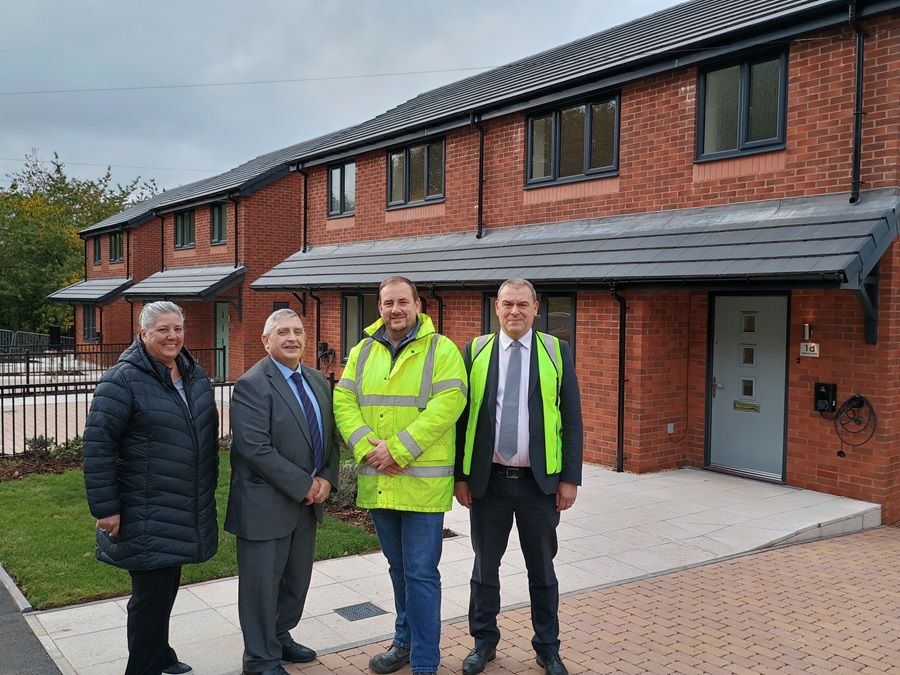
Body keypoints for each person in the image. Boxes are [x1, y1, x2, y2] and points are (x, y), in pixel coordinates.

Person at [334, 276, 467, 675]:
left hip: (422, 485)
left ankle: (426, 662)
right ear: (379, 307)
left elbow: (449, 404)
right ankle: (404, 642)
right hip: (380, 481)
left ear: (417, 305)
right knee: (397, 569)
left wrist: (397, 449)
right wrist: (366, 449)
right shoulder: (362, 351)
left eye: (403, 302)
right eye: (388, 302)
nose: (396, 309)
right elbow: (344, 400)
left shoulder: (442, 350)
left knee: (421, 573)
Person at [455, 278, 583, 675]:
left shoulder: (556, 351)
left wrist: (570, 478)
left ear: (536, 307)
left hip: (539, 484)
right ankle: (484, 643)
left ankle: (547, 647)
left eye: (522, 304)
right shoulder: (475, 350)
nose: (515, 311)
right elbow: (463, 419)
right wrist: (461, 476)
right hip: (488, 481)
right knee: (484, 568)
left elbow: (572, 419)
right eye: (507, 304)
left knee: (542, 571)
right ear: (496, 308)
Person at [84, 301, 219, 675]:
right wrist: (106, 508)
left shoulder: (192, 374)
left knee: (163, 591)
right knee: (150, 598)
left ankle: (162, 656)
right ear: (143, 334)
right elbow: (98, 446)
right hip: (145, 507)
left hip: (182, 503)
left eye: (177, 328)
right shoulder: (123, 379)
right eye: (162, 329)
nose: (172, 336)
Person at [224, 309, 339, 675]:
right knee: (260, 588)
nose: (292, 338)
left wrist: (327, 478)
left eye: (298, 331)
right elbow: (256, 449)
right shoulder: (252, 384)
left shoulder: (318, 379)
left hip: (306, 505)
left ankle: (279, 635)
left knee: (296, 581)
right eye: (282, 332)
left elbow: (328, 435)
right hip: (265, 506)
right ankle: (259, 659)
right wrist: (305, 484)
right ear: (266, 341)